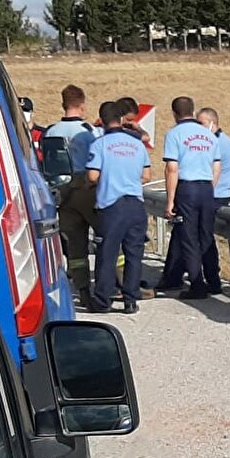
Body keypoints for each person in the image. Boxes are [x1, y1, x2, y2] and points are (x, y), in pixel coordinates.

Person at [86, 102, 151, 314]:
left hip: (111, 205)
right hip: (136, 204)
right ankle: (130, 300)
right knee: (134, 254)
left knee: (108, 253)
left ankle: (103, 300)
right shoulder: (137, 144)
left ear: (102, 120)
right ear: (122, 119)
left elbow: (92, 176)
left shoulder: (99, 145)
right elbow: (147, 175)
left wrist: (109, 179)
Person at [45, 85, 100, 306]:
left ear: (63, 104)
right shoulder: (89, 131)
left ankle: (82, 289)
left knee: (76, 246)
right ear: (82, 105)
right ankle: (115, 284)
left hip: (63, 192)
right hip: (87, 189)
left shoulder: (51, 131)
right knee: (107, 237)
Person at [161, 96, 221, 300]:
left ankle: (197, 285)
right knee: (206, 235)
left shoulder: (174, 134)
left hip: (187, 188)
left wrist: (170, 201)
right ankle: (213, 280)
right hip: (206, 188)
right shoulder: (209, 135)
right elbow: (216, 166)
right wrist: (210, 187)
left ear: (174, 114)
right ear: (193, 111)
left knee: (189, 238)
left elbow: (172, 168)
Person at [198, 107, 230, 296]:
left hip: (216, 195)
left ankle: (212, 279)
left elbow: (211, 171)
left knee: (204, 236)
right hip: (213, 193)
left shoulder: (217, 143)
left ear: (212, 123)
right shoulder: (218, 140)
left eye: (201, 123)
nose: (198, 128)